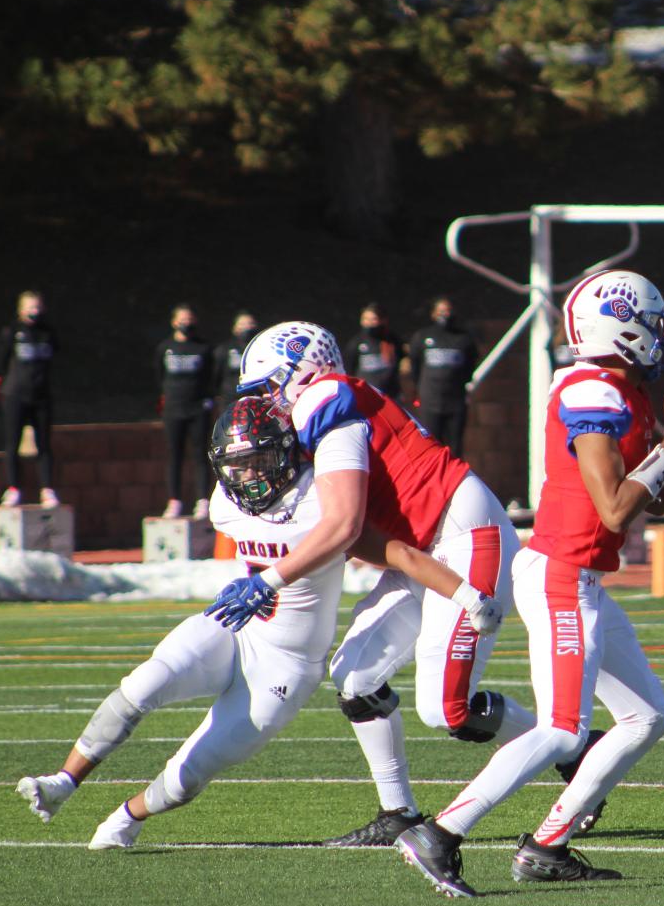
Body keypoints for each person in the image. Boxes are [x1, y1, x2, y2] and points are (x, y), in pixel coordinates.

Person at [13, 398, 495, 848]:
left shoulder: (323, 505)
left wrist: (468, 594)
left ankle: (127, 817)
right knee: (143, 684)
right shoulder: (226, 503)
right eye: (234, 465)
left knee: (190, 773)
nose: (245, 475)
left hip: (285, 667)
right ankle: (63, 781)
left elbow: (399, 554)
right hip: (234, 629)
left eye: (256, 461)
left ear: (285, 454)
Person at [393, 268, 664, 896]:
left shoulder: (627, 391)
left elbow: (652, 503)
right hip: (561, 575)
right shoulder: (589, 389)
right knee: (564, 727)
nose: (662, 336)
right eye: (653, 324)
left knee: (646, 717)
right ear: (621, 329)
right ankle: (441, 833)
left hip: (584, 577)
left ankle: (548, 844)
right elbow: (615, 507)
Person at [225, 320, 533, 848]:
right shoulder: (324, 414)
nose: (264, 405)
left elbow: (343, 527)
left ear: (298, 373)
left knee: (446, 711)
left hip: (461, 534)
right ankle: (399, 811)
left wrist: (271, 580)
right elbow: (361, 538)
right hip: (424, 547)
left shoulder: (325, 401)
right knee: (355, 675)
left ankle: (567, 745)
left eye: (267, 388)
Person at [0, 290, 59, 507]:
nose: (34, 311)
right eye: (30, 307)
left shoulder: (47, 333)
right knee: (13, 443)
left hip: (41, 397)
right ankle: (14, 489)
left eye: (38, 307)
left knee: (44, 444)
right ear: (21, 309)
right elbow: (2, 362)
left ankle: (47, 490)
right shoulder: (11, 331)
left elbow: (54, 358)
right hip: (15, 396)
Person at [156, 303, 215, 519]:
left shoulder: (203, 348)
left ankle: (202, 501)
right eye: (182, 319)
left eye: (189, 319)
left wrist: (206, 400)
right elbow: (160, 375)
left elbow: (211, 375)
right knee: (174, 454)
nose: (186, 323)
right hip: (173, 408)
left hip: (197, 408)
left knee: (200, 454)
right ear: (173, 322)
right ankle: (174, 501)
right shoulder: (165, 348)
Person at [408, 297, 477, 457]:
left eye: (448, 311)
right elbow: (415, 365)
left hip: (455, 402)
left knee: (454, 447)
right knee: (430, 444)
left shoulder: (464, 339)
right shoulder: (422, 337)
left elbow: (470, 366)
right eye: (440, 311)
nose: (444, 315)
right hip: (430, 402)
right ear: (433, 314)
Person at [344, 302, 404, 400]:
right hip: (365, 394)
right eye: (366, 319)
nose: (369, 323)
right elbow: (349, 368)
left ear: (383, 320)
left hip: (390, 395)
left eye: (374, 319)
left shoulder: (393, 341)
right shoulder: (356, 342)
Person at [212, 311, 259, 404]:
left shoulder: (260, 348)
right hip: (230, 399)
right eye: (242, 324)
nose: (247, 327)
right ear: (235, 328)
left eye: (250, 324)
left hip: (254, 398)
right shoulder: (224, 349)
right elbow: (216, 374)